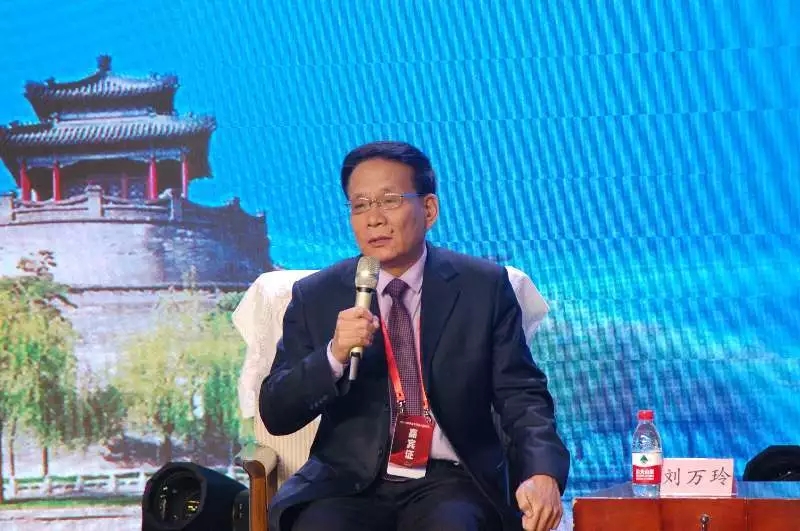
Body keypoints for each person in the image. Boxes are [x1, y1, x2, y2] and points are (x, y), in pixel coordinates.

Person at [260, 141, 569, 531]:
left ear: (429, 209)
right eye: (360, 205)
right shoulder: (317, 295)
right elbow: (276, 412)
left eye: (389, 201)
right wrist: (333, 356)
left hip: (451, 479)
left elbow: (520, 395)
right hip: (347, 481)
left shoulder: (482, 287)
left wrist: (542, 471)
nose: (374, 219)